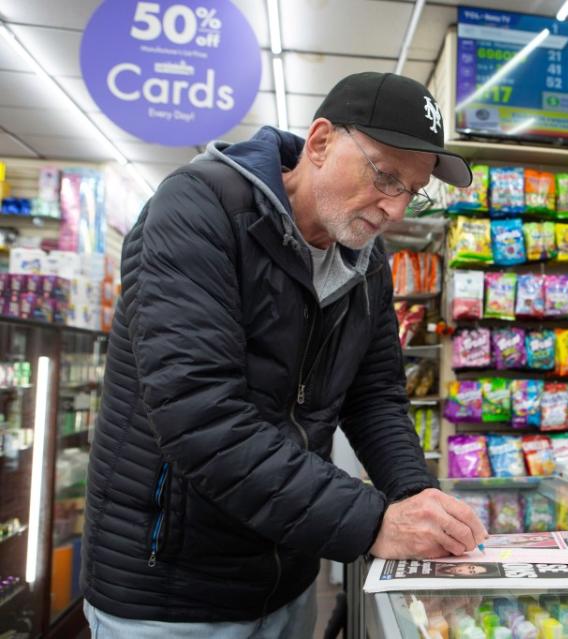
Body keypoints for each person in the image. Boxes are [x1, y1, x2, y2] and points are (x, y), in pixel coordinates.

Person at [81, 72, 488, 638]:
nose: (395, 209)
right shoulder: (198, 210)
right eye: (385, 176)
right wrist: (374, 521)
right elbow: (200, 416)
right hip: (169, 592)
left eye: (412, 190)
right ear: (320, 143)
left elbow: (375, 399)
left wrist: (418, 499)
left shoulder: (365, 260)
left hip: (288, 578)